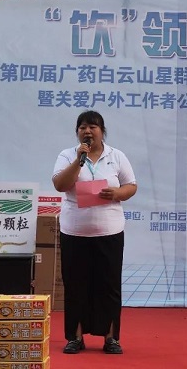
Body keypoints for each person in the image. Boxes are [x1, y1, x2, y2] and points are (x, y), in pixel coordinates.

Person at [52, 110, 137, 355]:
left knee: (108, 286)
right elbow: (60, 185)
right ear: (77, 132)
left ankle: (111, 338)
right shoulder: (68, 155)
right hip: (75, 232)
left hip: (109, 231)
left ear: (102, 131)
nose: (87, 131)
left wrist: (117, 193)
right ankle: (75, 337)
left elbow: (131, 185)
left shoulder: (116, 156)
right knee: (75, 285)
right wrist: (78, 161)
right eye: (82, 127)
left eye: (93, 127)